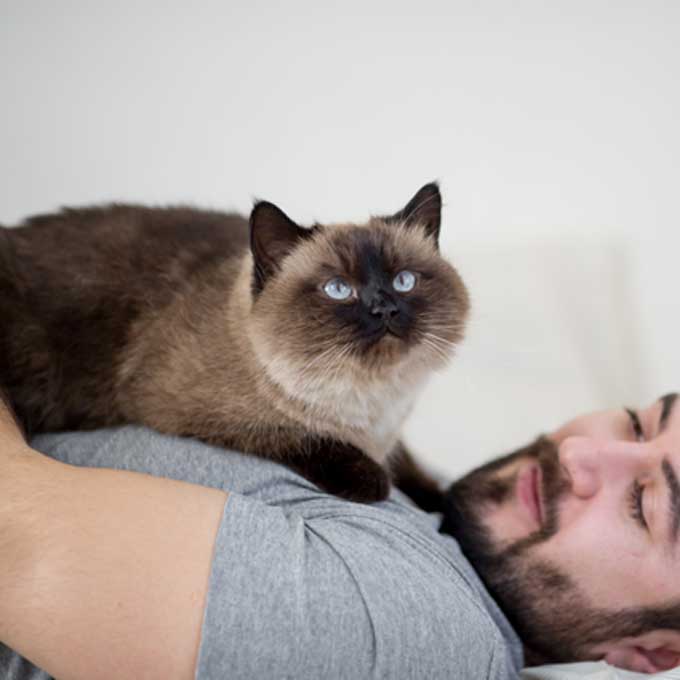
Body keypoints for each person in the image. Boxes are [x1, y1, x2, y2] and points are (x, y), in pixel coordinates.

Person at [0, 392, 678, 679]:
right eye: (636, 421)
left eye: (645, 506)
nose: (582, 454)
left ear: (653, 650)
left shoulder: (434, 640)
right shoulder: (421, 510)